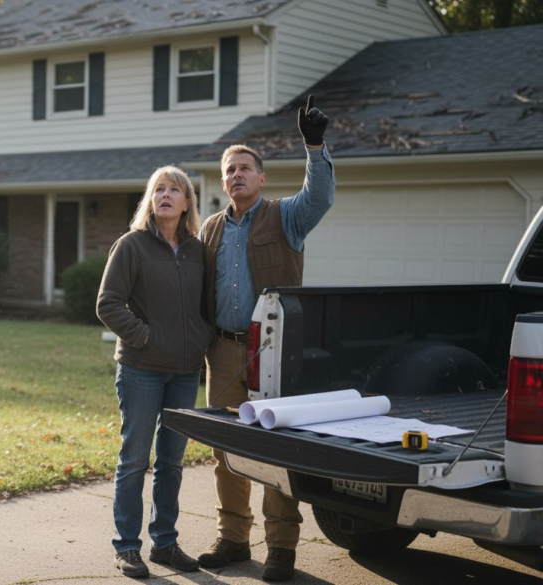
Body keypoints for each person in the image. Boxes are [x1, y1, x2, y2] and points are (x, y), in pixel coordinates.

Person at [198, 95, 335, 582]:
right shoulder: (212, 228)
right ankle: (233, 539)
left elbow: (319, 196)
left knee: (275, 448)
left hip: (274, 350)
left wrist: (314, 146)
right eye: (229, 170)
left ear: (262, 178)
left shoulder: (287, 217)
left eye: (244, 169)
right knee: (226, 452)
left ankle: (281, 548)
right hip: (223, 351)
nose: (236, 175)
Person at [97, 165, 215, 578]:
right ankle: (127, 547)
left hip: (184, 373)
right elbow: (108, 304)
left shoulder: (198, 250)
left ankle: (164, 543)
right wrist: (146, 337)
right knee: (134, 459)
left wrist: (199, 338)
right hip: (141, 370)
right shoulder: (131, 246)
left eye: (174, 190)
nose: (165, 194)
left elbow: (206, 307)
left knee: (172, 462)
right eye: (158, 189)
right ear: (150, 200)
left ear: (186, 203)